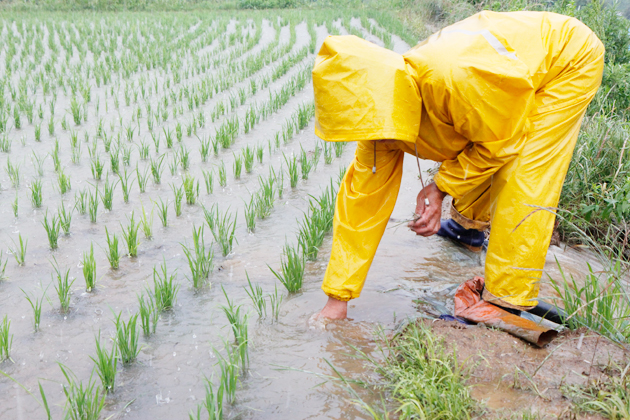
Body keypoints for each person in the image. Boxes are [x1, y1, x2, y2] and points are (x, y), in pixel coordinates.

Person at [312, 10, 604, 320]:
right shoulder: (376, 124)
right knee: (473, 137)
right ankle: (467, 229)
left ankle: (506, 301)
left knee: (522, 174)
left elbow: (502, 142)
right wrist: (337, 299)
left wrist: (440, 188)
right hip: (500, 84)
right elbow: (362, 204)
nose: (374, 137)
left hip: (565, 60)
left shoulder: (450, 83)